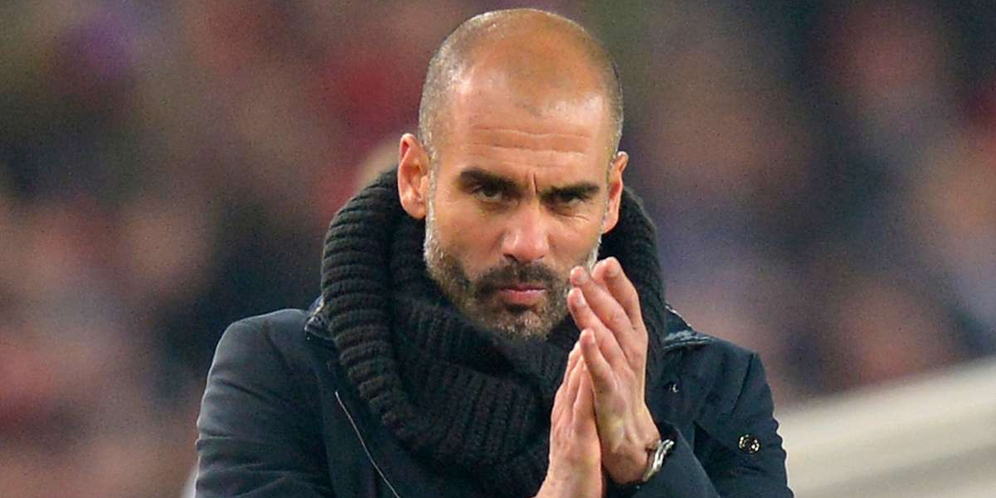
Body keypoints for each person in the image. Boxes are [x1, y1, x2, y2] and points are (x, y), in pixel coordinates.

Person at [195, 8, 792, 498]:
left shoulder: (714, 390)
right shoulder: (282, 379)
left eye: (566, 199)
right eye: (490, 192)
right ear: (416, 177)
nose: (526, 242)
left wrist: (647, 465)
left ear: (611, 196)